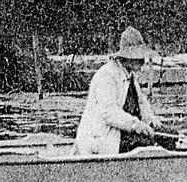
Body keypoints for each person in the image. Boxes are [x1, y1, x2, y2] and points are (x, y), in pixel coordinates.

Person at [74, 26, 177, 155]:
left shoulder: (129, 76)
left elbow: (141, 104)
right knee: (147, 144)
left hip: (121, 134)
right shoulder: (107, 75)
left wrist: (153, 122)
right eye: (138, 57)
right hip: (101, 138)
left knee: (170, 136)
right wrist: (136, 125)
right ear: (127, 57)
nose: (142, 61)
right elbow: (110, 113)